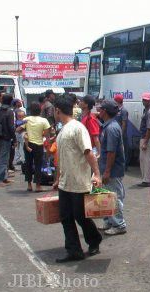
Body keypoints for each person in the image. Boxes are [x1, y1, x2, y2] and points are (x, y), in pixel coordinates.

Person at [52, 95, 103, 263]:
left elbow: (88, 152)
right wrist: (58, 178)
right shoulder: (62, 131)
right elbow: (60, 158)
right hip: (65, 183)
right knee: (66, 217)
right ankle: (74, 250)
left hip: (79, 183)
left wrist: (97, 174)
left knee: (81, 216)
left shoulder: (77, 128)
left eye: (54, 110)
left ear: (58, 111)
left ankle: (94, 240)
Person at [97, 101, 127, 236]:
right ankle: (110, 221)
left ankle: (119, 224)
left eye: (100, 109)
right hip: (107, 168)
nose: (98, 111)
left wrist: (107, 171)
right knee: (106, 196)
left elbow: (111, 152)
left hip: (113, 170)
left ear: (105, 111)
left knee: (114, 197)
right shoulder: (108, 126)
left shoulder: (112, 128)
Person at [18, 102, 51, 192]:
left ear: (30, 110)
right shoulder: (44, 120)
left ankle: (29, 185)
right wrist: (48, 146)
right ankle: (38, 185)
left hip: (28, 144)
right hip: (39, 145)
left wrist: (25, 132)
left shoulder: (26, 119)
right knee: (38, 165)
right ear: (40, 110)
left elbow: (18, 129)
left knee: (28, 164)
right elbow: (47, 135)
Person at [0, 94, 16, 187]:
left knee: (0, 157)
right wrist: (14, 138)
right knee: (3, 159)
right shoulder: (9, 112)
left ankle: (4, 177)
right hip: (6, 137)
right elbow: (11, 127)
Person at [138, 92, 150, 187]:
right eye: (143, 100)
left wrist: (145, 142)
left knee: (145, 159)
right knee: (147, 159)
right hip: (149, 137)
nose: (144, 101)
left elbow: (149, 128)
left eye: (146, 100)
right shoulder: (146, 110)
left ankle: (146, 180)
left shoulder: (149, 112)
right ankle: (147, 179)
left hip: (147, 138)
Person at [113, 93, 130, 170]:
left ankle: (125, 166)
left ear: (117, 101)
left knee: (123, 150)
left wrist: (121, 134)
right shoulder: (116, 110)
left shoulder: (123, 110)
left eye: (115, 100)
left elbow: (124, 123)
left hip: (122, 134)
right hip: (116, 133)